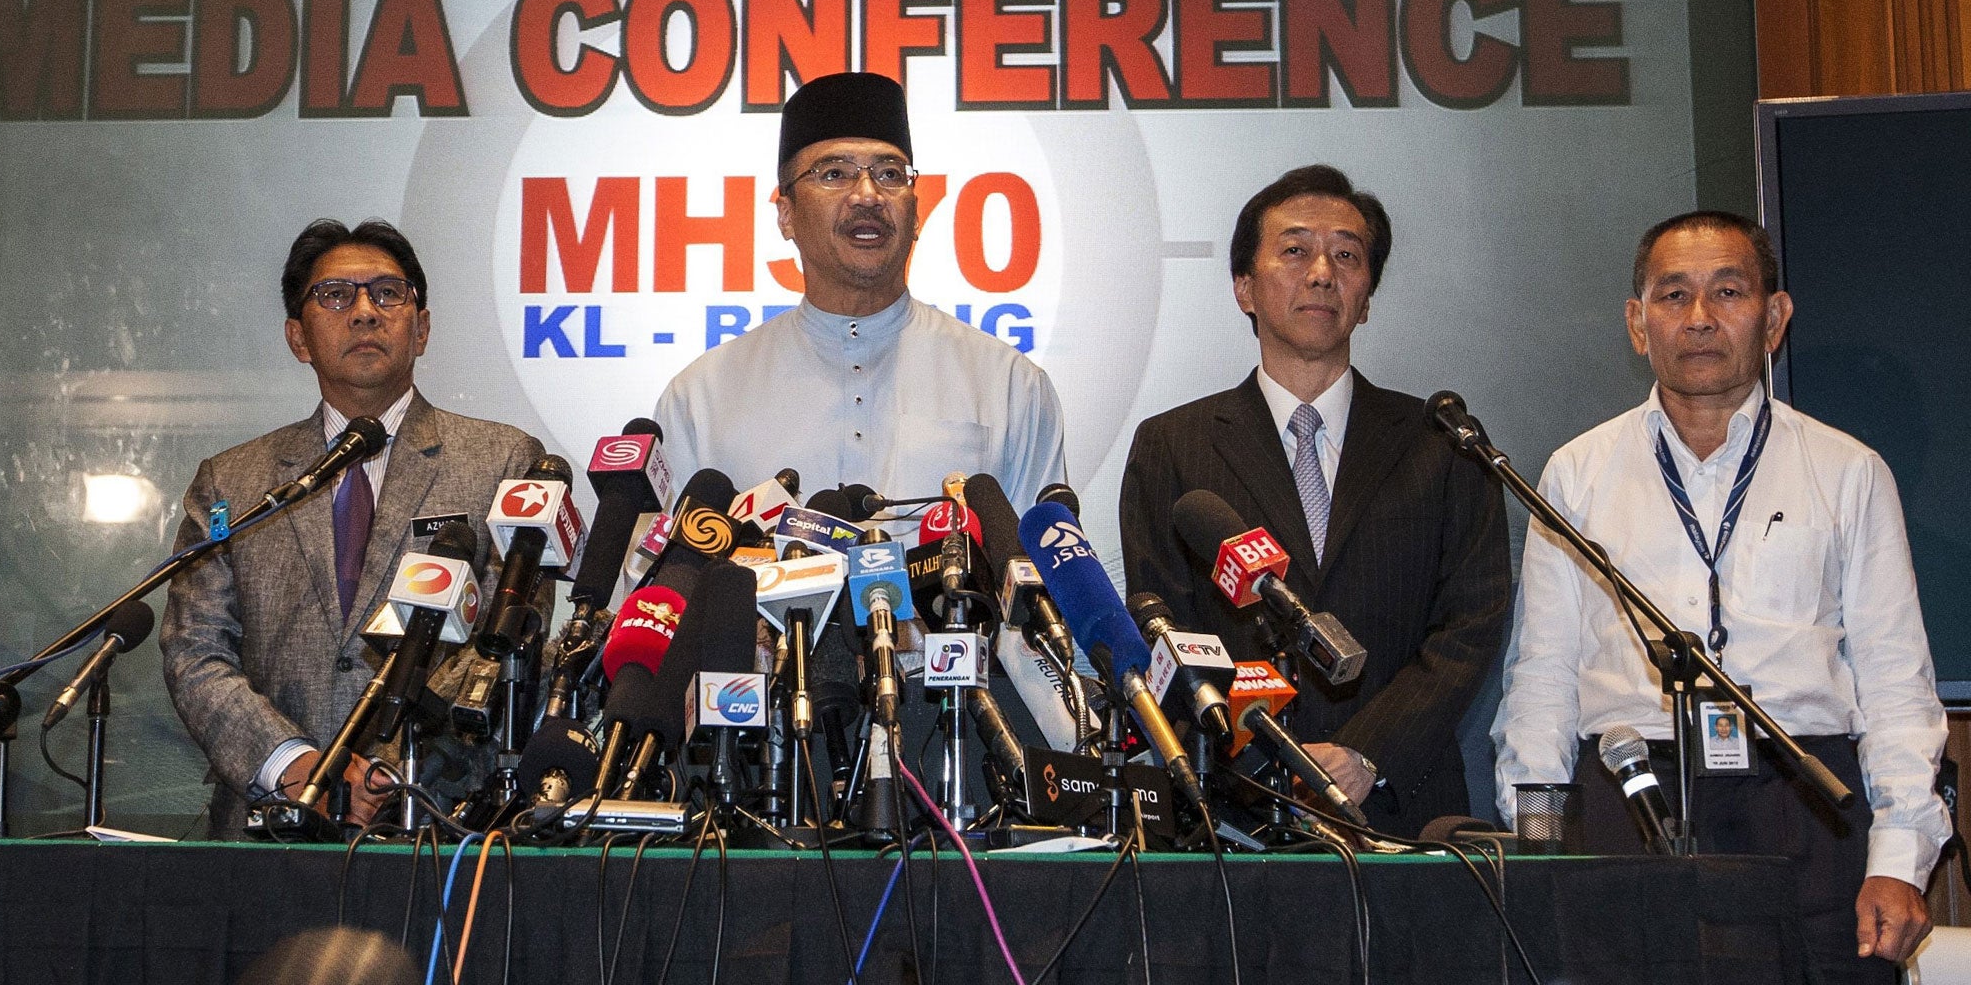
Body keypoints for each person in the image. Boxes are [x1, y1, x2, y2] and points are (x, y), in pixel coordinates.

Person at [1494, 210, 1947, 981]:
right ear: (1638, 324)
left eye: (1727, 292)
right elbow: (1541, 679)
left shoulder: (1848, 470)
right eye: (1673, 296)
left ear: (1774, 317)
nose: (1699, 318)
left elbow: (1895, 679)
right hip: (1626, 800)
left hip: (1803, 803)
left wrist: (1901, 857)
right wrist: (1537, 853)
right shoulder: (1577, 472)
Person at [1119, 164, 1511, 838]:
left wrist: (1366, 754)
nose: (1322, 271)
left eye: (1347, 256)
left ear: (1366, 299)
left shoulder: (1444, 443)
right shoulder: (1173, 447)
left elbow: (1469, 628)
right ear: (1244, 287)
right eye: (1295, 250)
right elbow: (1162, 628)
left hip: (1402, 806)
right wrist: (1266, 759)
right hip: (1230, 813)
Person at [160, 219, 545, 837]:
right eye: (336, 295)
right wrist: (298, 767)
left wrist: (379, 771)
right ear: (298, 337)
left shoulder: (503, 462)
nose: (365, 312)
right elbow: (195, 651)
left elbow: (509, 643)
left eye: (387, 294)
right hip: (266, 827)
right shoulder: (233, 480)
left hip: (434, 826)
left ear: (421, 329)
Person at [655, 71, 1065, 509]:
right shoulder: (701, 399)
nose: (868, 195)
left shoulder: (1009, 386)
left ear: (917, 214)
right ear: (786, 215)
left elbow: (1037, 566)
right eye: (834, 173)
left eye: (890, 173)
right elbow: (660, 574)